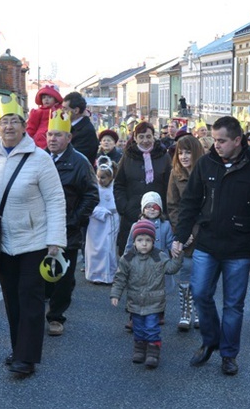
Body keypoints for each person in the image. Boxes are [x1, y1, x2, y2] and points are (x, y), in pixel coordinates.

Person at [172, 116, 250, 376]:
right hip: (207, 243)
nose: (216, 145)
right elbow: (190, 202)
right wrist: (180, 235)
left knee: (233, 305)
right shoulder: (206, 163)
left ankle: (229, 355)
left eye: (222, 141)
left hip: (239, 247)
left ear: (237, 140)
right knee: (200, 293)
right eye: (214, 139)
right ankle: (211, 341)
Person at [0, 94, 66, 375]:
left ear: (24, 125)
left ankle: (27, 358)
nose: (9, 127)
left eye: (15, 121)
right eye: (4, 122)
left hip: (34, 241)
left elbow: (55, 199)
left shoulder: (40, 159)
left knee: (30, 299)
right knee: (12, 300)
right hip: (3, 242)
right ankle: (18, 349)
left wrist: (55, 240)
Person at [44, 110, 99, 337]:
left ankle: (56, 316)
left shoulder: (79, 162)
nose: (52, 139)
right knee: (43, 272)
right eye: (49, 135)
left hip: (68, 228)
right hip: (41, 227)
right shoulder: (40, 158)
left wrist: (75, 220)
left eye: (57, 135)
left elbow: (91, 195)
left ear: (68, 138)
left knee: (64, 275)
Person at [110, 219, 183, 369]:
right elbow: (120, 278)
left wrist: (178, 256)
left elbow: (171, 269)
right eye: (140, 240)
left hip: (154, 302)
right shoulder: (128, 258)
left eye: (148, 240)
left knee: (151, 327)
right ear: (134, 241)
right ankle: (139, 348)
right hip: (135, 301)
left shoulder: (158, 256)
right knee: (138, 327)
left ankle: (153, 352)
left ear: (153, 241)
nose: (144, 244)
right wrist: (115, 294)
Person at [114, 121, 172, 255]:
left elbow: (169, 186)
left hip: (157, 216)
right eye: (141, 137)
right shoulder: (128, 156)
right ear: (135, 138)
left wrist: (165, 212)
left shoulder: (164, 156)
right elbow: (119, 184)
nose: (145, 140)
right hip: (132, 215)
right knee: (130, 260)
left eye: (148, 136)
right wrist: (124, 207)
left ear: (154, 136)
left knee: (157, 259)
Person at [167, 134, 205, 331]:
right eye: (180, 153)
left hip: (205, 232)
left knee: (202, 274)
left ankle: (199, 310)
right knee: (185, 272)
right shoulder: (175, 174)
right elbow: (173, 206)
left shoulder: (206, 172)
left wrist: (195, 230)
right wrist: (182, 232)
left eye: (188, 152)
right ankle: (185, 312)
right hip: (184, 232)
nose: (183, 156)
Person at [85, 156, 120, 284]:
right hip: (95, 222)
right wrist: (100, 212)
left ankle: (108, 275)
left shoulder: (114, 188)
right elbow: (90, 204)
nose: (100, 180)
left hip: (110, 221)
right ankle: (94, 274)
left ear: (111, 177)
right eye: (98, 177)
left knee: (108, 247)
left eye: (103, 177)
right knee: (94, 248)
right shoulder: (94, 188)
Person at [62, 92, 98, 164]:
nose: (62, 112)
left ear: (76, 110)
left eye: (65, 109)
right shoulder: (68, 126)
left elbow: (75, 158)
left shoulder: (86, 131)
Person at [26, 84, 63, 149]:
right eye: (44, 97)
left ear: (56, 99)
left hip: (56, 137)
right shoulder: (37, 112)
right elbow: (31, 127)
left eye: (49, 97)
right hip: (40, 140)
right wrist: (27, 140)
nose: (46, 99)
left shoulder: (61, 110)